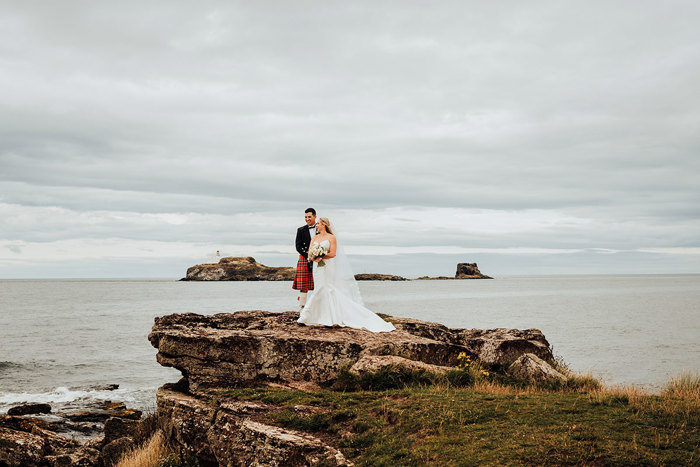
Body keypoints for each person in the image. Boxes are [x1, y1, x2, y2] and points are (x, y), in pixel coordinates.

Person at [298, 217, 395, 333]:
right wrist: (313, 257)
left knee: (326, 288)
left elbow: (333, 253)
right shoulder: (314, 238)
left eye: (318, 223)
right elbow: (309, 252)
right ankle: (316, 316)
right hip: (316, 266)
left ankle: (323, 318)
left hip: (328, 265)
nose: (316, 225)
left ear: (324, 225)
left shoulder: (331, 238)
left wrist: (321, 256)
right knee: (319, 288)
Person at [292, 208, 317, 310]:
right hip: (304, 258)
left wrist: (318, 256)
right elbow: (298, 246)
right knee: (303, 286)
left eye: (309, 217)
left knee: (320, 284)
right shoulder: (301, 230)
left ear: (315, 216)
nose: (307, 219)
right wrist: (308, 256)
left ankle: (318, 309)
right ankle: (302, 309)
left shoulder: (321, 228)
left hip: (320, 259)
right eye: (305, 217)